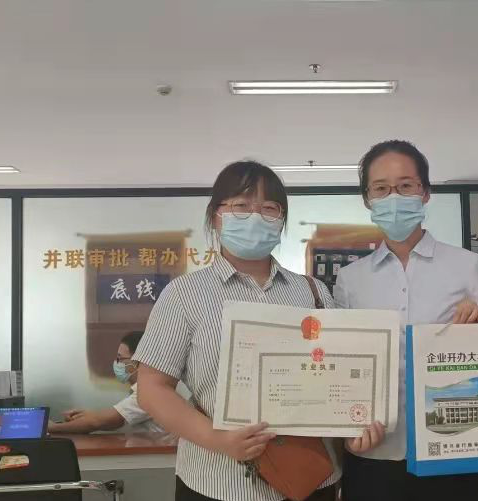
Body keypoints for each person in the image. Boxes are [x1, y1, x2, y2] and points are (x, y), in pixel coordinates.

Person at [134, 161, 384, 502]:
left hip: (310, 478)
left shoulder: (312, 292)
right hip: (218, 482)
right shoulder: (184, 294)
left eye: (269, 208)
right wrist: (218, 439)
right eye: (241, 205)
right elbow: (152, 389)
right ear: (215, 217)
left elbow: (337, 377)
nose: (255, 216)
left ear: (281, 220)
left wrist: (353, 428)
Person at [335, 140, 478, 502]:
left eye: (405, 185)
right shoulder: (350, 279)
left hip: (453, 449)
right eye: (380, 188)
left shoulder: (466, 265)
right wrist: (345, 429)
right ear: (367, 199)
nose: (393, 196)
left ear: (425, 193)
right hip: (375, 453)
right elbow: (342, 365)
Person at [49, 331, 166, 434]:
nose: (117, 363)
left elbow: (102, 422)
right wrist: (86, 415)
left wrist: (53, 427)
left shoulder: (150, 393)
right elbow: (109, 416)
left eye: (120, 358)